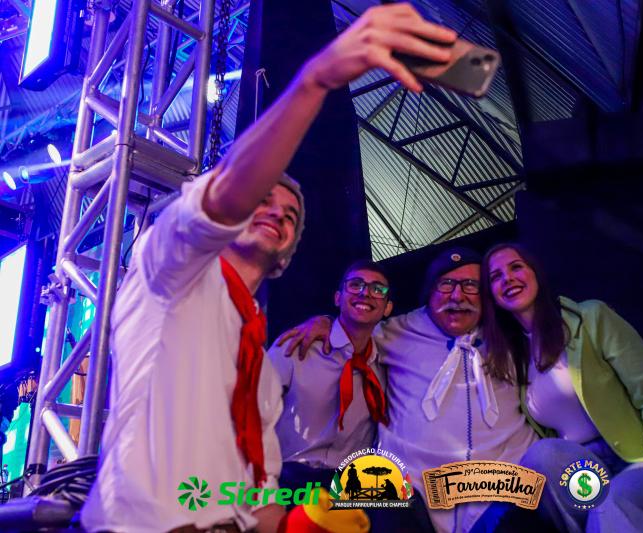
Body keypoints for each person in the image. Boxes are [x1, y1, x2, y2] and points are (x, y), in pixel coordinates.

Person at [80, 4, 458, 532]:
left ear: (287, 256)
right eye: (262, 199)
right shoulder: (169, 272)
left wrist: (296, 525)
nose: (277, 212)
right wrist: (315, 80)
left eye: (290, 215)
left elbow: (252, 492)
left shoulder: (257, 369)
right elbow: (223, 198)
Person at [278, 247, 535, 532]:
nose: (457, 295)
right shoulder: (396, 331)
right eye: (446, 284)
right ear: (429, 293)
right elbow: (355, 325)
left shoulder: (511, 334)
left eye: (470, 285)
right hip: (415, 504)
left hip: (505, 494)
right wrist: (325, 322)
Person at [477, 243, 643, 532]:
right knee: (541, 456)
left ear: (535, 272)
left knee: (611, 504)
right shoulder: (512, 359)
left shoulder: (591, 317)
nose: (508, 279)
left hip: (642, 460)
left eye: (516, 267)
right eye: (496, 277)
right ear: (491, 295)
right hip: (587, 472)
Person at [267, 260, 392, 494]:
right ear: (338, 298)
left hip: (347, 486)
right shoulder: (296, 347)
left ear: (387, 308)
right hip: (288, 477)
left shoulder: (386, 366)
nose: (365, 293)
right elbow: (252, 410)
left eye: (378, 289)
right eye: (355, 285)